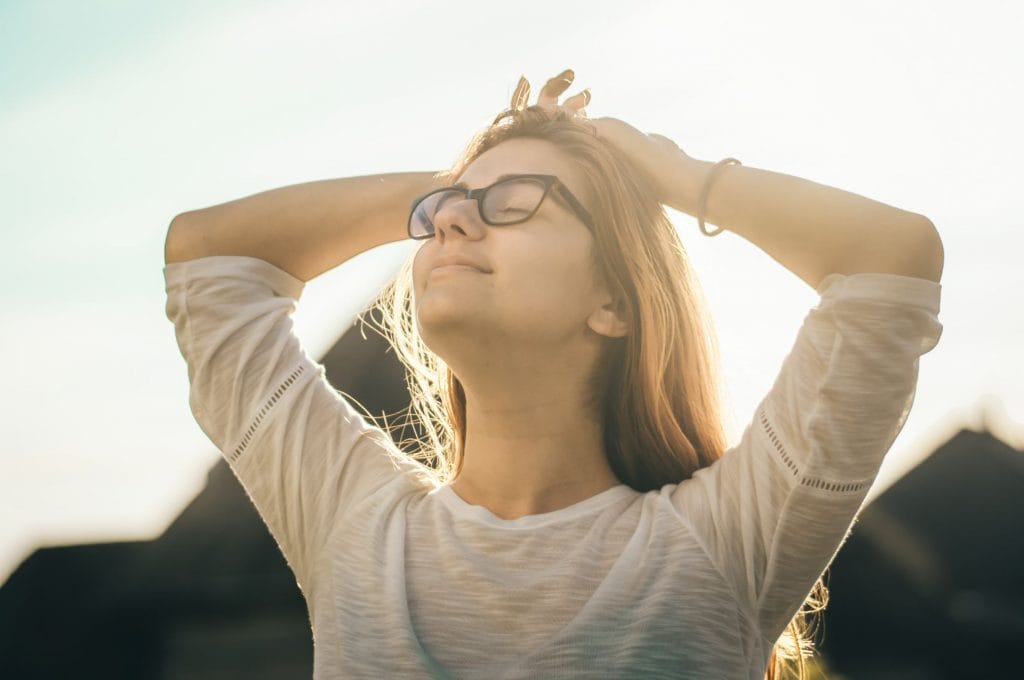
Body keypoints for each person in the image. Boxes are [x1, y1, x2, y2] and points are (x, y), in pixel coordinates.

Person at [164, 69, 944, 679]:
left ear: (614, 300)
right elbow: (207, 256)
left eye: (515, 204)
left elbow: (890, 261)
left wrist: (673, 175)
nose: (453, 221)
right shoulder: (354, 523)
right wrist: (452, 183)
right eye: (443, 212)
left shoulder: (723, 542)